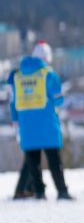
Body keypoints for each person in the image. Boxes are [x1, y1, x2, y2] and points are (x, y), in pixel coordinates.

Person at [7, 41, 73, 200]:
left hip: (26, 125)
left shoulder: (17, 76)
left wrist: (16, 121)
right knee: (54, 159)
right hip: (47, 124)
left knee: (32, 160)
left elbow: (12, 102)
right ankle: (62, 191)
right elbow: (58, 100)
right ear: (46, 57)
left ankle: (39, 192)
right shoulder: (48, 74)